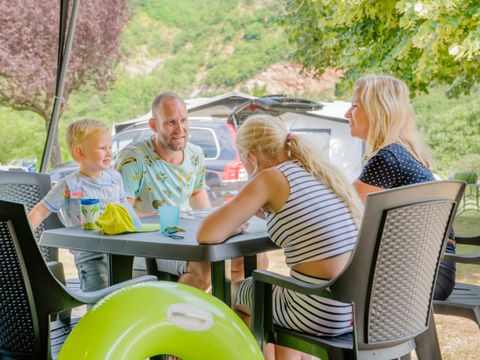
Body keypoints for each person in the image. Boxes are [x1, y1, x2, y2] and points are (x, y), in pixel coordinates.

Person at [197, 114, 363, 360]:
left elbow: (206, 233)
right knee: (260, 295)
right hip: (351, 306)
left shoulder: (271, 177)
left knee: (228, 295)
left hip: (318, 310)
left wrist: (232, 226)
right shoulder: (316, 170)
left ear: (251, 156)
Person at [345, 74, 456, 300]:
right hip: (434, 272)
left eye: (354, 106)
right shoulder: (402, 152)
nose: (347, 114)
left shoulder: (388, 158)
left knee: (324, 273)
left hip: (419, 277)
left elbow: (341, 209)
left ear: (377, 111)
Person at [115, 92, 212, 290]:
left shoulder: (195, 154)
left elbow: (196, 192)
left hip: (184, 241)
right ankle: (172, 318)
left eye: (183, 120)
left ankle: (228, 318)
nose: (180, 129)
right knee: (204, 268)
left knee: (249, 260)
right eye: (171, 122)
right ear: (153, 125)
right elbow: (121, 212)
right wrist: (163, 216)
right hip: (144, 247)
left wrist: (212, 221)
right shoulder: (134, 157)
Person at [29, 119, 126, 292]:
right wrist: (23, 236)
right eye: (102, 148)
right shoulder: (70, 185)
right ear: (80, 153)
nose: (109, 153)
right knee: (98, 300)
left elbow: (126, 209)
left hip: (120, 252)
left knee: (122, 296)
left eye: (110, 147)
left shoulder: (115, 178)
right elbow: (41, 211)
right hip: (90, 256)